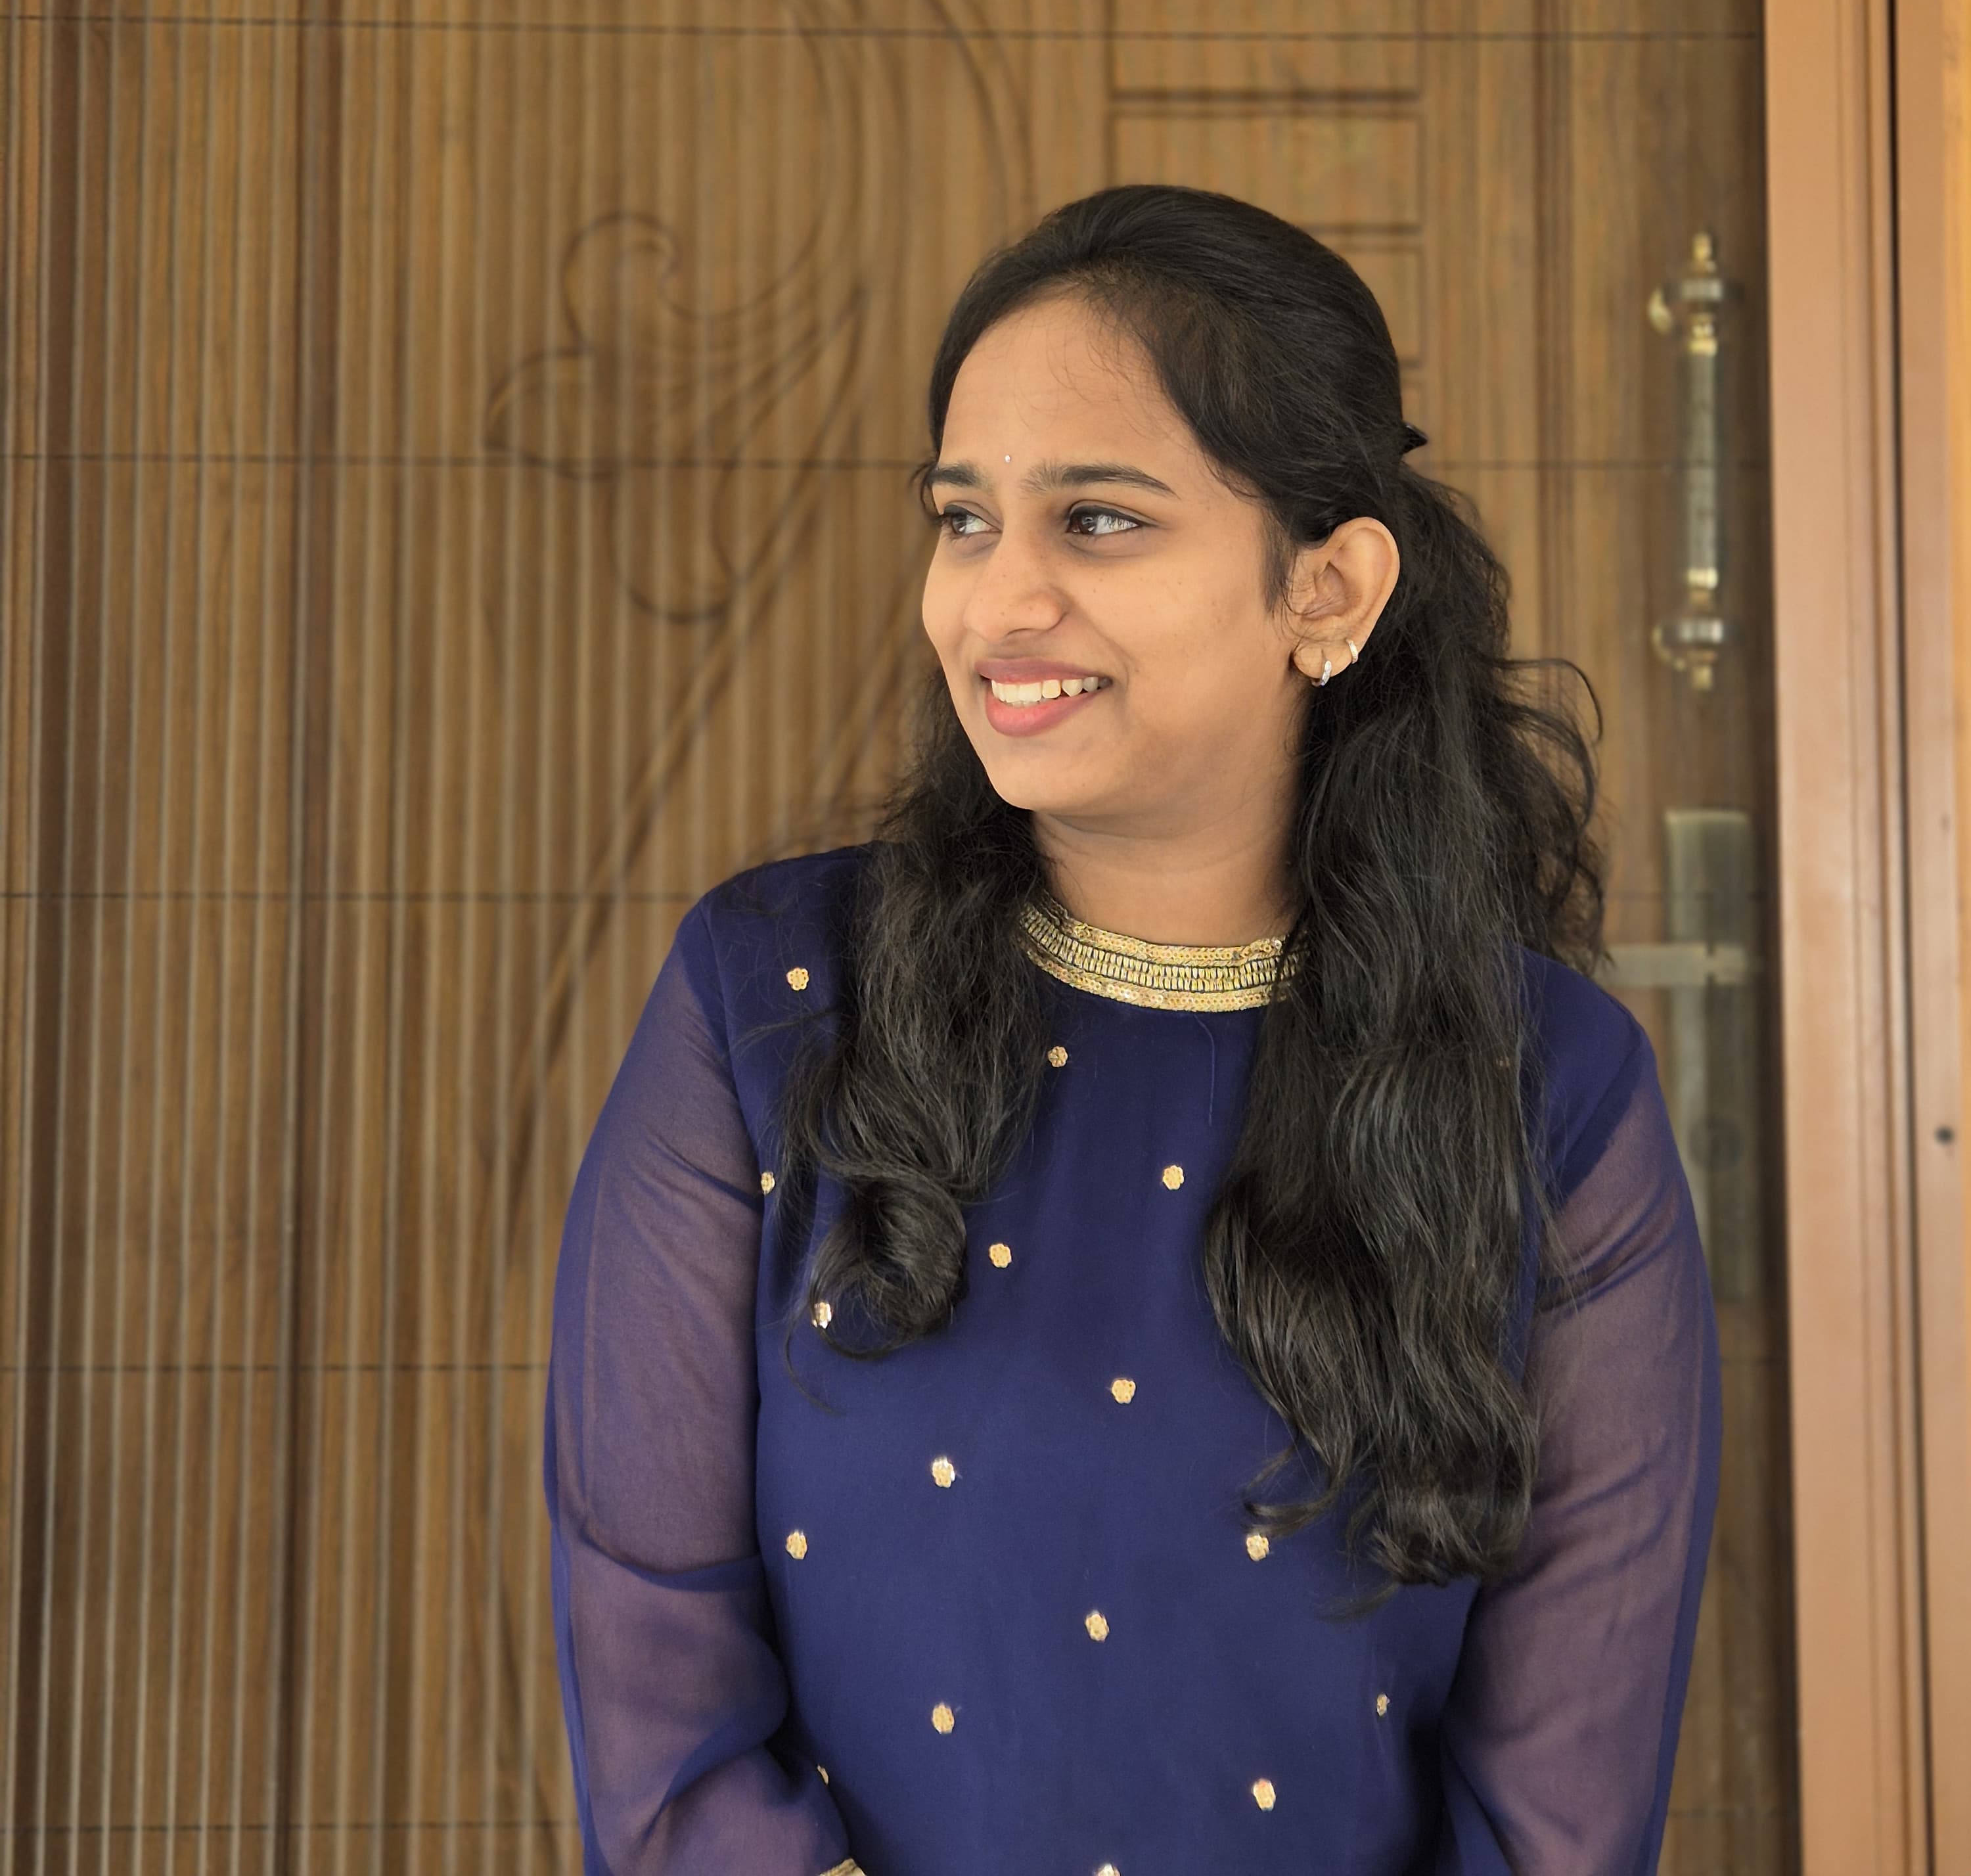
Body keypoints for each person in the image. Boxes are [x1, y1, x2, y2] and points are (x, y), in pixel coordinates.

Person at [544, 183, 1720, 1875]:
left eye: (1097, 519)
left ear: (1327, 588)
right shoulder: (772, 1002)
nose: (996, 601)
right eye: (964, 518)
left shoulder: (1553, 1092)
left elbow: (1561, 1812)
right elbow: (656, 1674)